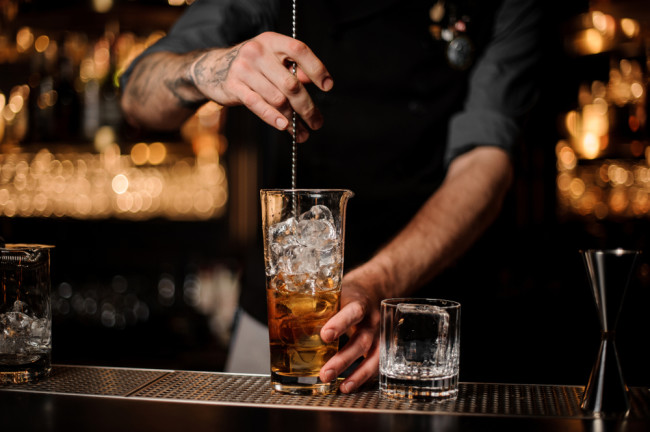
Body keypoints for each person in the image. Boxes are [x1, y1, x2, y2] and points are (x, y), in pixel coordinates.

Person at [120, 0, 542, 393]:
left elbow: (486, 161)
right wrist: (212, 66)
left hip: (434, 325)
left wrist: (380, 281)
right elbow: (138, 96)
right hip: (282, 330)